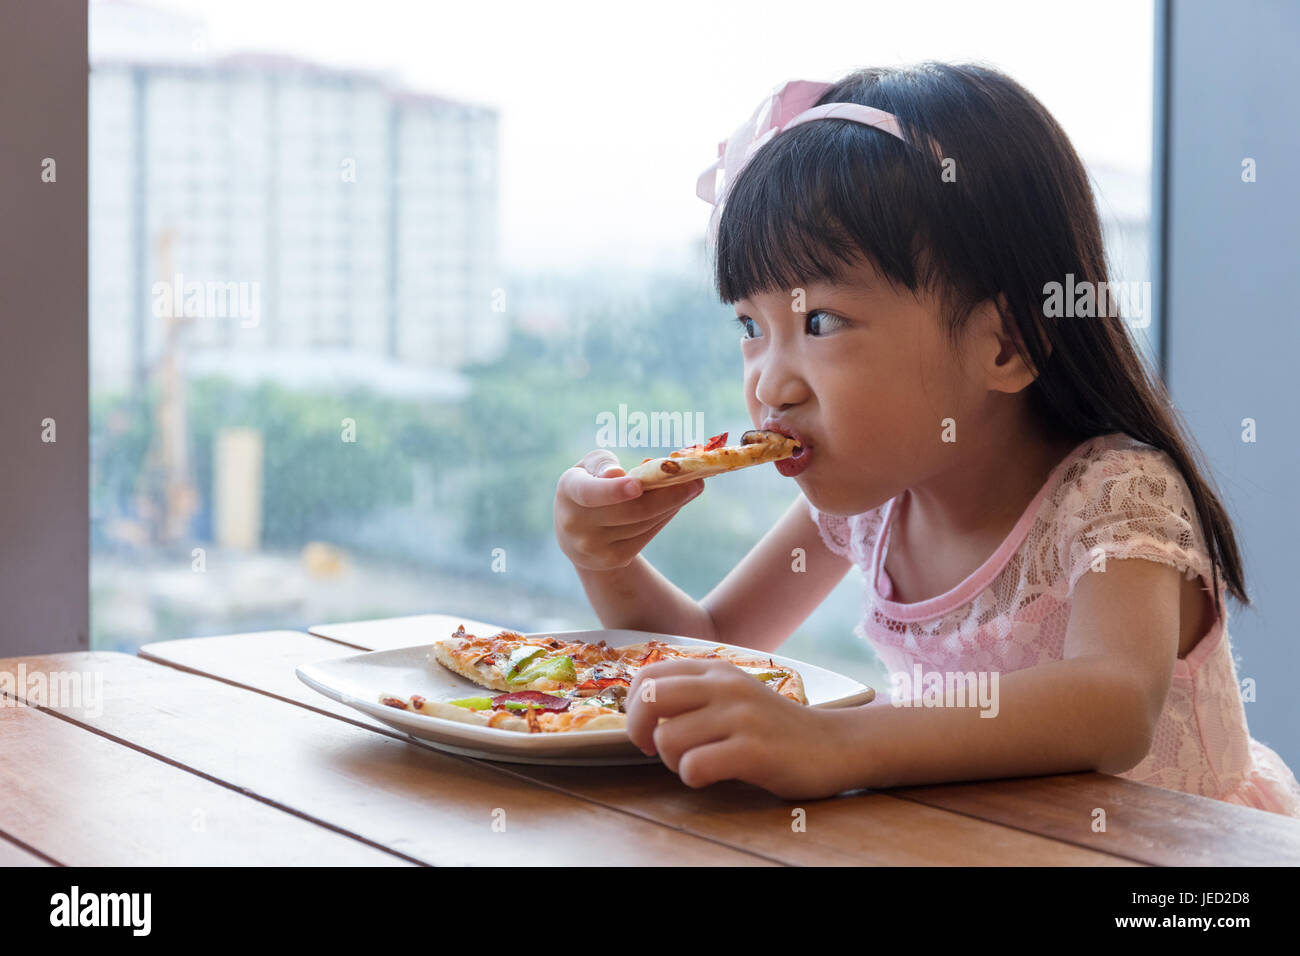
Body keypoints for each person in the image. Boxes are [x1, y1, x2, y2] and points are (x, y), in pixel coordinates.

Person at [552, 62, 1300, 816]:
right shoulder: (865, 507)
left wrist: (833, 741)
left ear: (1005, 346)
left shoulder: (1116, 497)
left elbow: (1113, 706)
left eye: (820, 323)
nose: (770, 384)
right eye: (751, 326)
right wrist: (606, 560)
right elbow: (709, 640)